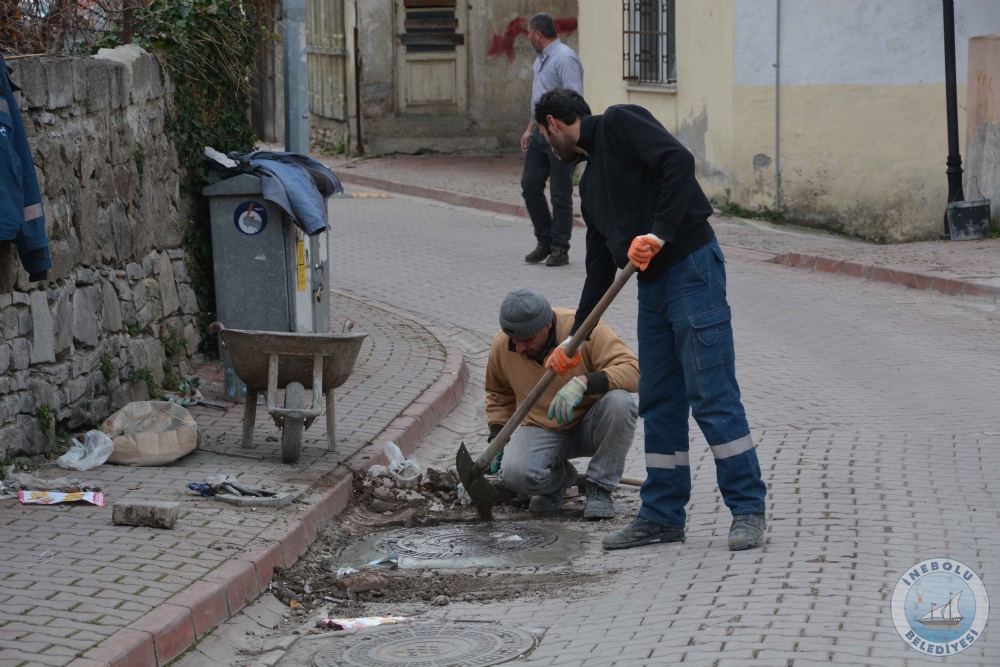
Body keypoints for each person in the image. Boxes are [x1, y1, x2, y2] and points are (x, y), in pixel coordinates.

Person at [532, 87, 768, 551]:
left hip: (691, 267)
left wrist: (659, 232)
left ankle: (747, 508)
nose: (546, 144)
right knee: (660, 400)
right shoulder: (590, 183)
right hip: (653, 288)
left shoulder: (620, 122)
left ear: (553, 124)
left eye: (543, 134)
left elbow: (678, 162)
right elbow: (600, 266)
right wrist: (572, 341)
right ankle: (662, 515)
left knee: (711, 395)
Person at [486, 288, 638, 519]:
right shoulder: (502, 345)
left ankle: (600, 487)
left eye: (527, 340)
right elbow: (499, 393)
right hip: (542, 427)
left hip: (592, 424)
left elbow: (633, 370)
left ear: (547, 325)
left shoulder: (585, 330)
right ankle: (559, 481)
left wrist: (585, 382)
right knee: (515, 474)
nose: (519, 348)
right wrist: (497, 435)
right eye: (514, 341)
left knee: (621, 402)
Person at [520, 13, 583, 267]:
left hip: (559, 134)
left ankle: (559, 248)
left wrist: (566, 139)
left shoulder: (564, 58)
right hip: (539, 132)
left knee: (560, 192)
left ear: (537, 34)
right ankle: (544, 241)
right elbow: (539, 101)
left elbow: (574, 101)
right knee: (530, 185)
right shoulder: (540, 61)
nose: (526, 37)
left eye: (528, 32)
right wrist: (529, 129)